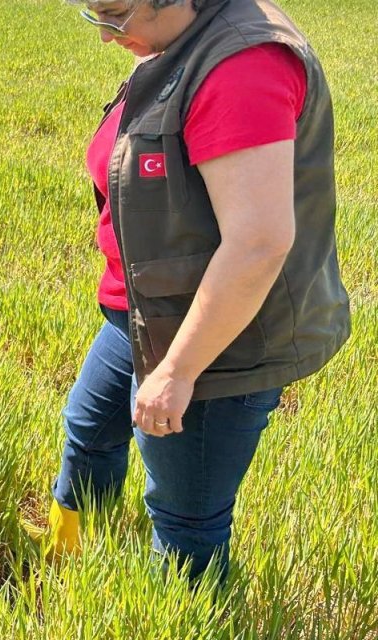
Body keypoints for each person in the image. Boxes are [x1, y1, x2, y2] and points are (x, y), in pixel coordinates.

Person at [37, 0, 350, 582]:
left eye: (115, 13)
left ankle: (180, 609)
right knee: (88, 430)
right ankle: (75, 564)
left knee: (185, 518)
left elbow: (257, 244)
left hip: (217, 337)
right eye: (93, 14)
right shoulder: (178, 40)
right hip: (143, 311)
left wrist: (177, 374)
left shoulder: (243, 65)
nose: (106, 36)